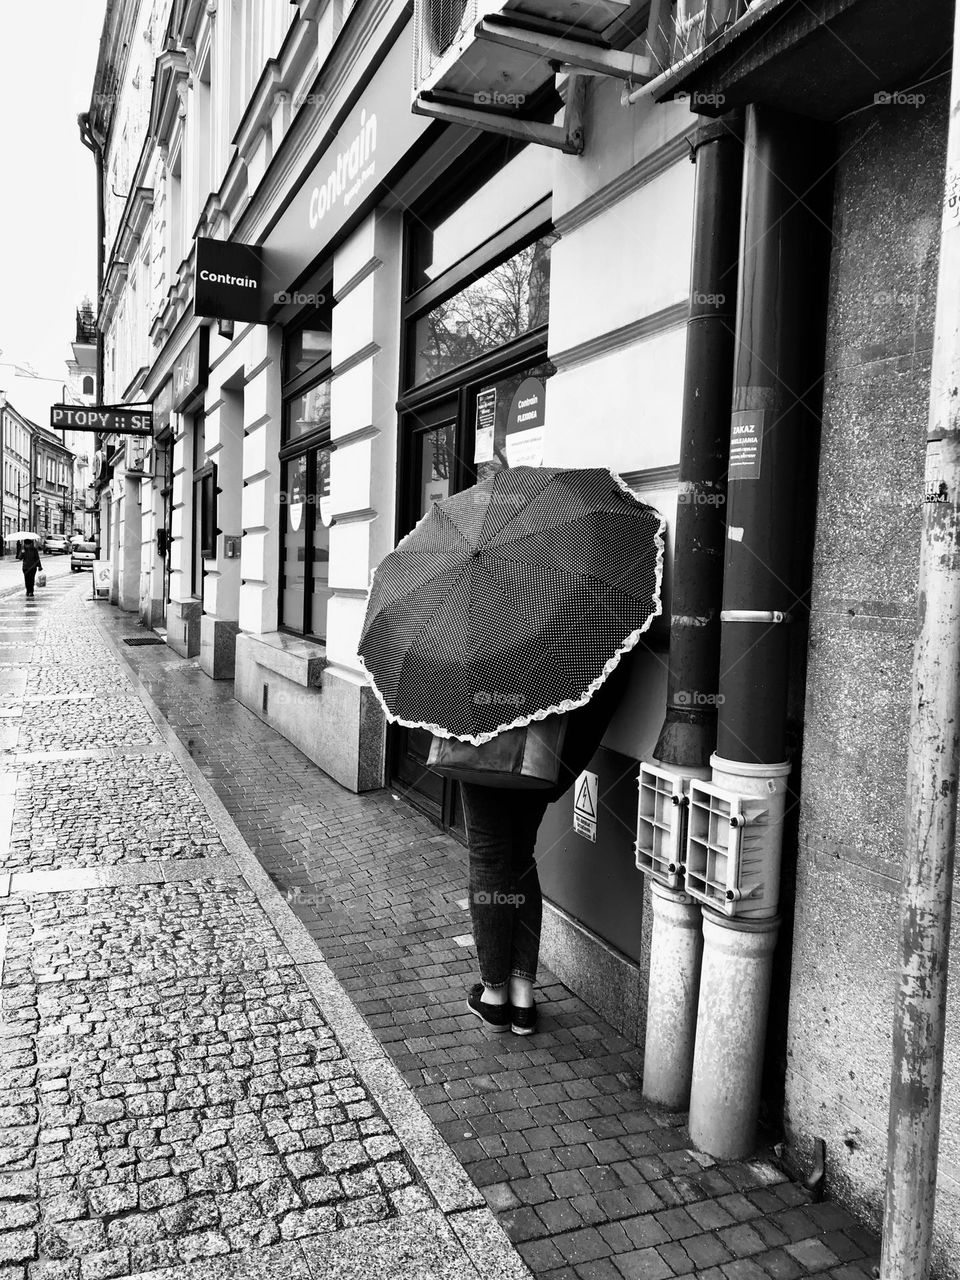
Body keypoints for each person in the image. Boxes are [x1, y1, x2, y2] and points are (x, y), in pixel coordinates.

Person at [462, 655, 633, 1037]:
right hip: (546, 743)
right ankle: (522, 997)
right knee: (520, 855)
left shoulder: (484, 621)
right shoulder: (568, 618)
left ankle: (494, 995)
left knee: (488, 855)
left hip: (485, 736)